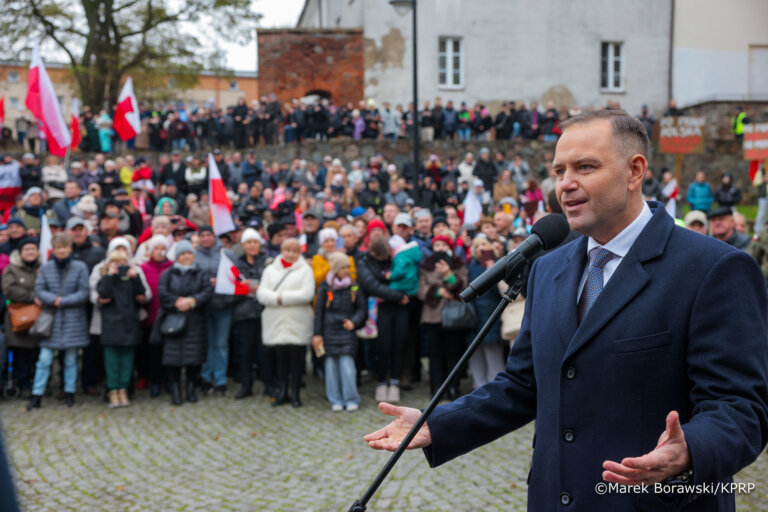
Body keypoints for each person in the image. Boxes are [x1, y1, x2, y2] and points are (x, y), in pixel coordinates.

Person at [364, 110, 768, 512]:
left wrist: (691, 451)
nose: (565, 185)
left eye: (585, 167)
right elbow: (523, 384)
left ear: (634, 171)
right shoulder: (548, 267)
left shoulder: (713, 269)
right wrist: (436, 423)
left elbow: (741, 407)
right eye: (559, 171)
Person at [27, 233, 90, 410]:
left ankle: (70, 392)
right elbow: (39, 289)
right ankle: (36, 394)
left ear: (70, 248)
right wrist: (53, 299)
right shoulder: (46, 268)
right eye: (58, 248)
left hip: (73, 319)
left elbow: (84, 291)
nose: (61, 250)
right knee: (45, 359)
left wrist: (64, 301)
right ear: (53, 250)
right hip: (51, 319)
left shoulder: (80, 267)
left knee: (70, 359)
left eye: (64, 247)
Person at [257, 238, 315, 407]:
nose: (290, 254)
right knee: (280, 360)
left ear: (299, 253)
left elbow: (307, 293)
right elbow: (262, 294)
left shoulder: (305, 270)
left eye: (294, 251)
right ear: (281, 251)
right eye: (287, 250)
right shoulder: (270, 270)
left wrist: (283, 297)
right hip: (276, 322)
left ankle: (295, 393)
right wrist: (279, 298)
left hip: (297, 322)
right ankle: (283, 391)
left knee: (297, 360)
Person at [157, 240, 213, 405]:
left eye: (189, 253)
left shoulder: (201, 273)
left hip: (195, 320)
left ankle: (190, 389)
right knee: (173, 358)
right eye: (183, 254)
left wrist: (193, 301)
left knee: (193, 357)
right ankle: (175, 390)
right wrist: (176, 302)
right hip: (174, 319)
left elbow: (207, 291)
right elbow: (162, 292)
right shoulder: (168, 273)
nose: (186, 256)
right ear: (177, 257)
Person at [312, 252, 367, 412]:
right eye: (343, 267)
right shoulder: (325, 286)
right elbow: (319, 312)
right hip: (329, 332)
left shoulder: (354, 285)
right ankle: (335, 398)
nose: (346, 270)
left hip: (346, 331)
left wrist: (354, 321)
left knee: (347, 367)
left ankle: (350, 398)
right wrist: (317, 333)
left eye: (347, 267)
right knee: (331, 368)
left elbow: (361, 308)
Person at [357, 235, 409, 403]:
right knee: (383, 346)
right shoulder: (364, 262)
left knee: (399, 344)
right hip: (380, 309)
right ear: (373, 253)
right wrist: (397, 296)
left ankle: (394, 382)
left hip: (399, 308)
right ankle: (381, 382)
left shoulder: (395, 258)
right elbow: (371, 285)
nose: (386, 259)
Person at [416, 234, 468, 400]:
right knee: (435, 353)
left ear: (450, 247)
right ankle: (437, 387)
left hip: (453, 315)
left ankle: (453, 386)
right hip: (432, 316)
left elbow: (465, 287)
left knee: (453, 352)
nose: (440, 248)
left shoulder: (458, 263)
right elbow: (421, 290)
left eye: (443, 245)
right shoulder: (426, 265)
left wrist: (448, 275)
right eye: (436, 245)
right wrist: (438, 291)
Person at [96, 248, 148, 408]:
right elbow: (103, 294)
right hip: (111, 327)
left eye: (122, 263)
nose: (119, 266)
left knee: (127, 362)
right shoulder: (105, 279)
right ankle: (113, 390)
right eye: (115, 263)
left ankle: (123, 390)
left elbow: (141, 295)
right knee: (111, 363)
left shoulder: (131, 279)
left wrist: (135, 277)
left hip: (129, 325)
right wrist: (110, 275)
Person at [2, 238, 41, 398]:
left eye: (33, 248)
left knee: (39, 355)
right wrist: (31, 296)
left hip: (40, 318)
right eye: (27, 249)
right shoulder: (12, 269)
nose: (31, 252)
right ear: (20, 252)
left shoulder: (42, 268)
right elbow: (9, 289)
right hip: (20, 318)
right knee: (22, 355)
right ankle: (24, 386)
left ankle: (39, 385)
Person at [232, 228, 267, 399]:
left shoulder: (267, 262)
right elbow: (232, 287)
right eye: (249, 243)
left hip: (264, 311)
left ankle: (269, 383)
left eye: (255, 242)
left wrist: (260, 287)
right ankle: (246, 385)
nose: (252, 245)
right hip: (245, 312)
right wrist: (244, 288)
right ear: (243, 245)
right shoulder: (237, 264)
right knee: (246, 351)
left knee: (266, 349)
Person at [466, 236, 506, 389]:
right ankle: (478, 387)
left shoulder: (498, 264)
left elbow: (503, 291)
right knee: (475, 354)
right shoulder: (471, 267)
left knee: (493, 354)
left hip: (492, 313)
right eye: (477, 245)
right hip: (474, 315)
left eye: (484, 244)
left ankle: (496, 389)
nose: (481, 248)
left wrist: (493, 270)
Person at [138, 235, 173, 397]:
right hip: (150, 316)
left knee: (168, 350)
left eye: (162, 248)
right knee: (152, 351)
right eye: (156, 249)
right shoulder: (143, 268)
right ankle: (153, 381)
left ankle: (168, 380)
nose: (159, 252)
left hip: (168, 316)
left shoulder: (172, 267)